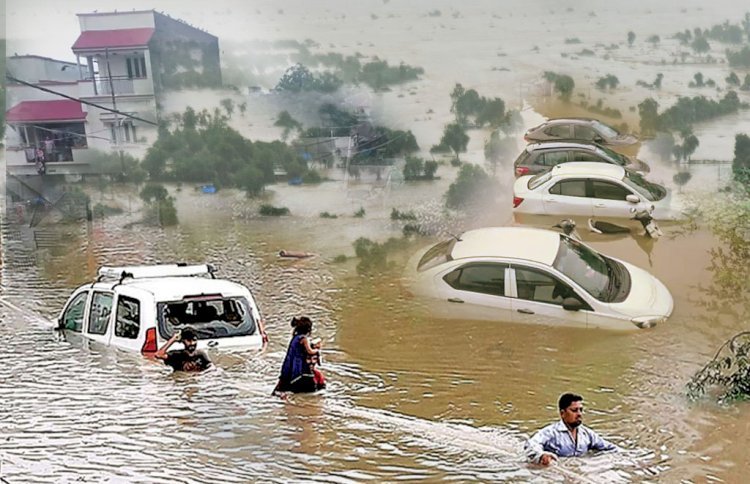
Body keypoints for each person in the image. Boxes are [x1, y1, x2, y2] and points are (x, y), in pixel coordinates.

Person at [525, 393, 618, 465]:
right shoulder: (551, 433)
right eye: (574, 410)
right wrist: (541, 455)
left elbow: (610, 448)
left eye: (581, 410)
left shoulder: (587, 434)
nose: (579, 414)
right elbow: (531, 444)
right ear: (562, 413)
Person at [273, 316, 326, 394]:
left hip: (289, 361)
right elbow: (310, 351)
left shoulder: (295, 337)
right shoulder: (304, 339)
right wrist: (317, 350)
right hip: (298, 363)